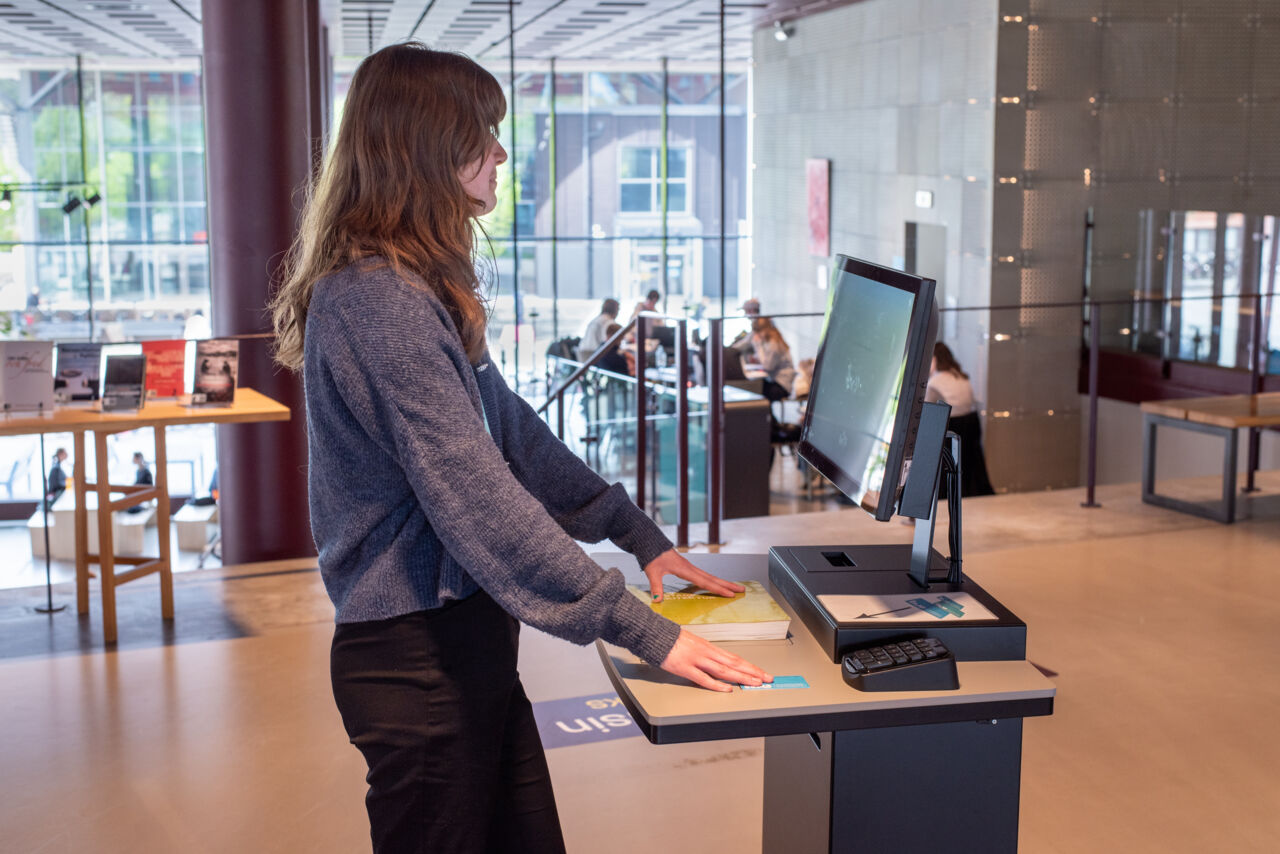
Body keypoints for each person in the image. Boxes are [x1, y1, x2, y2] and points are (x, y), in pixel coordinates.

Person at [268, 43, 769, 854]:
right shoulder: (377, 301)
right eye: (483, 135)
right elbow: (481, 499)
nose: (501, 154)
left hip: (462, 644)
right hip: (417, 661)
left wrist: (638, 537)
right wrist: (645, 630)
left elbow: (513, 436)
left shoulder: (413, 287)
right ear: (426, 148)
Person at [925, 342, 995, 497]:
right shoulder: (960, 376)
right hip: (970, 426)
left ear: (935, 359)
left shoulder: (934, 382)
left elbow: (927, 412)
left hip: (949, 429)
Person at [750, 317, 797, 403]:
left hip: (782, 386)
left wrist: (757, 344)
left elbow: (768, 366)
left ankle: (767, 416)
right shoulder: (772, 341)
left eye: (758, 332)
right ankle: (767, 415)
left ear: (763, 330)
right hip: (778, 382)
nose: (757, 335)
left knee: (757, 390)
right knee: (758, 387)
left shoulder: (774, 343)